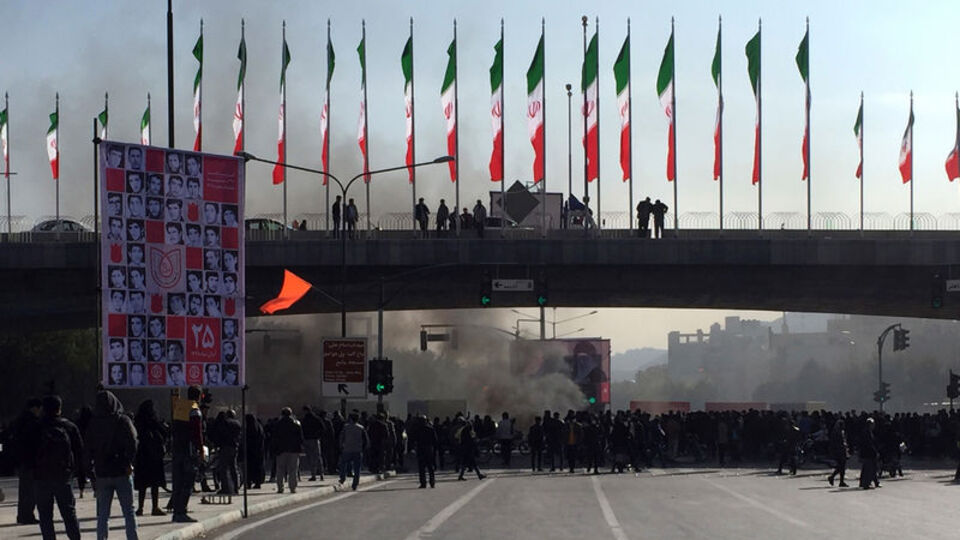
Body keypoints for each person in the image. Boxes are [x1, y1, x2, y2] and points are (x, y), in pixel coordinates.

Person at [84, 389, 138, 540]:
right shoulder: (123, 420)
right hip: (122, 471)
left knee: (102, 514)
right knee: (128, 511)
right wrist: (129, 462)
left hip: (102, 472)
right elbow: (133, 443)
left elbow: (87, 450)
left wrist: (90, 474)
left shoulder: (93, 424)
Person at [33, 395, 84, 540]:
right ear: (59, 408)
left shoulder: (36, 427)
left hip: (41, 477)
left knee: (45, 516)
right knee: (69, 514)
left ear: (43, 408)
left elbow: (27, 450)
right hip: (63, 477)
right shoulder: (69, 426)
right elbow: (79, 451)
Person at [170, 386, 203, 522]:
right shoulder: (195, 410)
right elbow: (197, 433)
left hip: (177, 449)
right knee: (188, 482)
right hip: (189, 452)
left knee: (177, 482)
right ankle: (181, 512)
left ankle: (176, 511)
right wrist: (201, 449)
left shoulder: (179, 407)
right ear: (199, 396)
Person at [13, 398, 42, 525]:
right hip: (31, 460)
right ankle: (27, 515)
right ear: (35, 408)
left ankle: (22, 514)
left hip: (21, 460)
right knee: (30, 491)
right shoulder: (33, 422)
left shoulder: (19, 420)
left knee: (23, 490)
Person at [272, 408, 303, 494]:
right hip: (293, 450)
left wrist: (274, 449)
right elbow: (300, 438)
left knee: (280, 469)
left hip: (281, 450)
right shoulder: (296, 424)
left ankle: (280, 488)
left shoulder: (277, 424)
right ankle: (292, 488)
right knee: (293, 470)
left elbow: (274, 438)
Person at [338, 412, 367, 491]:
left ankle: (342, 478)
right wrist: (363, 448)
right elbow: (366, 440)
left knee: (343, 464)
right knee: (357, 468)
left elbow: (341, 438)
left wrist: (341, 446)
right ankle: (355, 484)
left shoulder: (345, 427)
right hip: (358, 450)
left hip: (347, 449)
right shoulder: (361, 428)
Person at [216, 410, 242, 495]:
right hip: (234, 447)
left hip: (225, 447)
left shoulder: (225, 423)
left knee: (223, 469)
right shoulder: (238, 424)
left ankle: (225, 488)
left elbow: (221, 434)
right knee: (233, 468)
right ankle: (236, 487)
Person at [301, 407, 325, 482]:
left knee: (311, 458)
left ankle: (313, 475)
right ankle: (321, 474)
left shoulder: (304, 420)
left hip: (308, 440)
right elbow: (323, 429)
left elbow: (301, 431)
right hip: (315, 440)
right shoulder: (317, 419)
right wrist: (318, 436)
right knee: (318, 457)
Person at [414, 416, 438, 488]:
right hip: (429, 449)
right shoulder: (430, 429)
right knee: (430, 467)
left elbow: (415, 440)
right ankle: (432, 482)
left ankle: (423, 483)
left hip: (421, 449)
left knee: (422, 468)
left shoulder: (418, 429)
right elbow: (435, 440)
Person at [245, 414, 266, 489]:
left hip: (249, 452)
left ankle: (249, 482)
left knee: (249, 468)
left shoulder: (248, 428)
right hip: (259, 451)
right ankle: (257, 482)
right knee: (257, 468)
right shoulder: (259, 427)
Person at [859, 417, 880, 489]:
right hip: (868, 453)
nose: (874, 426)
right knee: (869, 468)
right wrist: (875, 451)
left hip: (868, 453)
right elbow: (869, 444)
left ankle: (874, 482)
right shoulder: (866, 433)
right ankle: (866, 483)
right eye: (873, 424)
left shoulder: (868, 432)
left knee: (871, 468)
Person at [827, 418, 849, 487]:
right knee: (841, 466)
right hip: (839, 451)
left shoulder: (837, 432)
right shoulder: (838, 432)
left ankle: (839, 480)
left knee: (841, 466)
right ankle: (835, 478)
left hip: (839, 451)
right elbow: (840, 443)